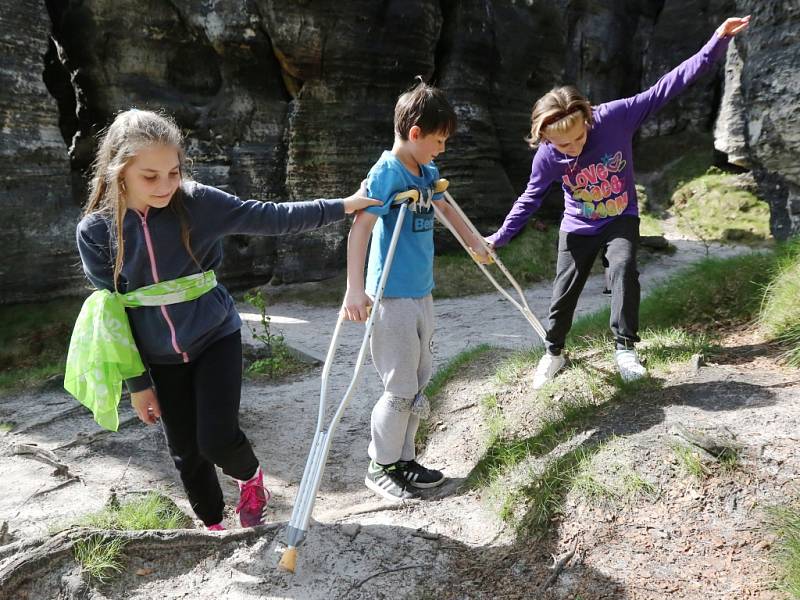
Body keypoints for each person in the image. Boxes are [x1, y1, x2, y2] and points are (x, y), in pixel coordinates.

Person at [72, 109, 380, 530]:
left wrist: (344, 206)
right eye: (150, 176)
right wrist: (138, 384)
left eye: (173, 172)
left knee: (215, 438)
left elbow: (271, 217)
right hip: (158, 356)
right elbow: (112, 314)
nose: (165, 185)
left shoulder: (199, 203)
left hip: (215, 336)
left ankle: (251, 479)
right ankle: (213, 526)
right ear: (119, 170)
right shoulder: (96, 230)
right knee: (185, 452)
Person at [486, 16, 751, 389]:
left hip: (620, 216)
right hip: (578, 224)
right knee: (565, 291)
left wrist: (716, 41)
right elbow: (530, 198)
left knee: (624, 268)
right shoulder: (547, 156)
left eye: (579, 137)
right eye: (564, 145)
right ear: (543, 136)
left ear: (588, 117)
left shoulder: (616, 117)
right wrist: (499, 237)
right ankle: (554, 353)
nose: (573, 148)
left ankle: (625, 348)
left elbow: (666, 87)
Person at [343, 79, 490, 501]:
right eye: (438, 141)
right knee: (399, 386)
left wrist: (475, 244)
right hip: (390, 298)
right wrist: (356, 291)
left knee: (418, 381)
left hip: (421, 293)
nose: (441, 149)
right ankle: (380, 464)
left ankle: (403, 460)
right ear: (415, 134)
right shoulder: (385, 173)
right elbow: (361, 229)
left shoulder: (426, 171)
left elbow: (444, 207)